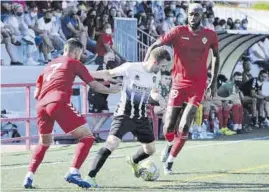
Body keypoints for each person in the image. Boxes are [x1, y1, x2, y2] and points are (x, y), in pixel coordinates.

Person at [23, 38, 120, 189]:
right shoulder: (74, 63)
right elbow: (95, 86)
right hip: (58, 101)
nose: (80, 57)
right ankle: (73, 172)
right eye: (80, 53)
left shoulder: (49, 65)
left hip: (41, 105)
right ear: (75, 51)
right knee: (87, 137)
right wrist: (112, 90)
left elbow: (36, 93)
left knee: (44, 142)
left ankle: (29, 176)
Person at [144, 3, 220, 175]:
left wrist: (213, 81)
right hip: (178, 84)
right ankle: (169, 144)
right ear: (187, 14)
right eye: (191, 14)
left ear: (202, 15)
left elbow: (216, 57)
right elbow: (155, 45)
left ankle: (170, 161)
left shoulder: (210, 35)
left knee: (185, 126)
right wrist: (147, 62)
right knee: (168, 127)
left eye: (197, 14)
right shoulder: (177, 31)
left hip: (198, 86)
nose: (193, 17)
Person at [83, 47, 171, 187]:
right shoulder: (131, 67)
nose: (163, 68)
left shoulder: (156, 74)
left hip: (141, 116)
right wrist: (83, 72)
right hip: (124, 114)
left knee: (150, 150)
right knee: (111, 143)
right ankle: (90, 177)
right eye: (162, 65)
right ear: (154, 61)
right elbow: (108, 72)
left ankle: (133, 161)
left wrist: (159, 98)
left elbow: (153, 92)